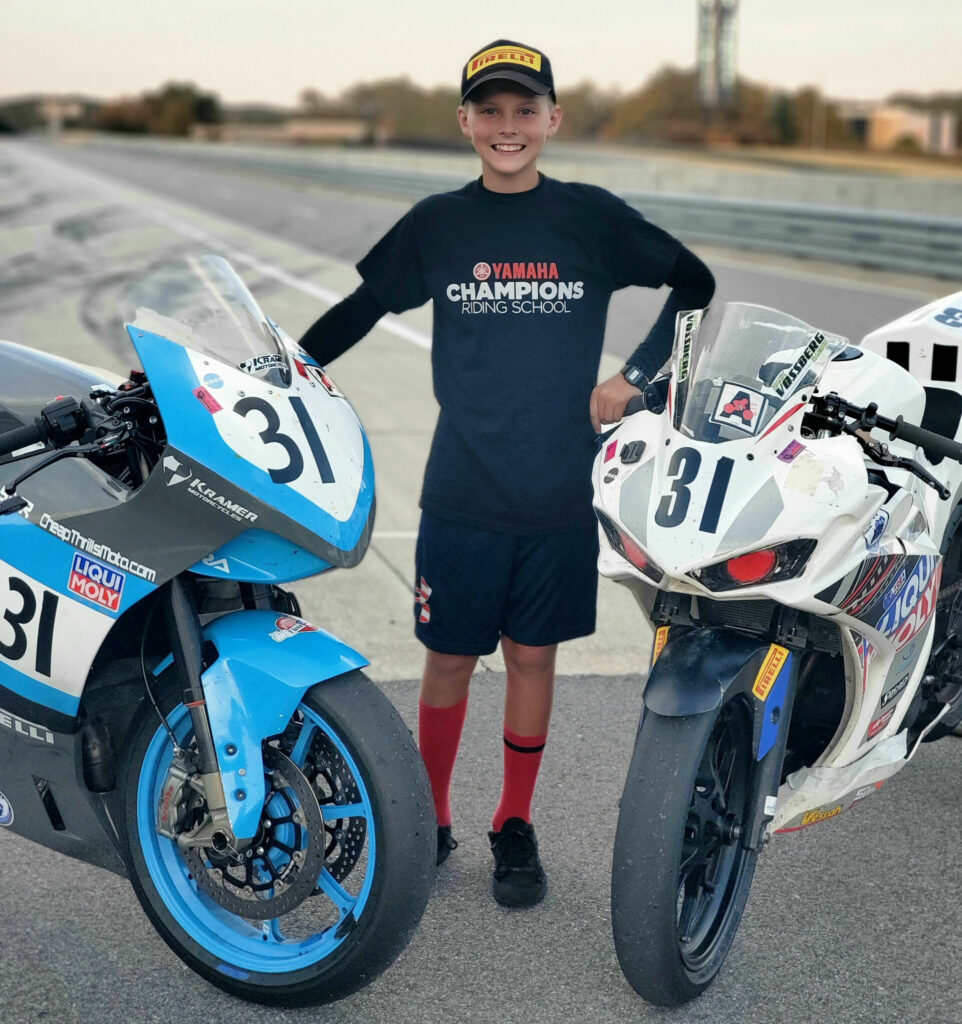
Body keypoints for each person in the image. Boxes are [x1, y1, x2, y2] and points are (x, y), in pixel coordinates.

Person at [298, 39, 715, 909]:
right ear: (465, 123)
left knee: (532, 656)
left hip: (561, 486)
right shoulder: (439, 224)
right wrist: (281, 370)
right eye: (489, 110)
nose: (508, 126)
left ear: (553, 120)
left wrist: (636, 378)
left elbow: (695, 286)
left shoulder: (590, 219)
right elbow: (361, 311)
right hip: (463, 487)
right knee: (447, 659)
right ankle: (433, 818)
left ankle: (513, 823)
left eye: (525, 109)